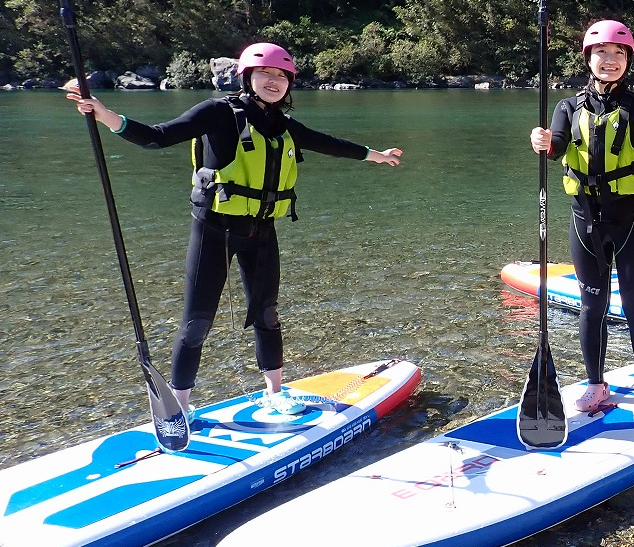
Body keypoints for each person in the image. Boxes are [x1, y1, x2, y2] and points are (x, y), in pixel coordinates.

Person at [69, 42, 403, 417]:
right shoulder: (217, 112)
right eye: (266, 73)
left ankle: (274, 393)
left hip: (260, 230)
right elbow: (156, 137)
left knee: (267, 313)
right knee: (196, 322)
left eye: (282, 76)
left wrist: (377, 155)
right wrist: (105, 115)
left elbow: (332, 145)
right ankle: (178, 408)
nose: (274, 81)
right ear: (247, 77)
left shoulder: (284, 126)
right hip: (213, 229)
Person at [529, 19, 634, 418]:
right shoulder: (567, 106)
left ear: (627, 61)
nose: (609, 60)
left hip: (633, 222)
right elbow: (557, 145)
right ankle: (597, 385)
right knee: (591, 307)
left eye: (618, 54)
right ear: (588, 58)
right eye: (601, 53)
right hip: (585, 221)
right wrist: (544, 143)